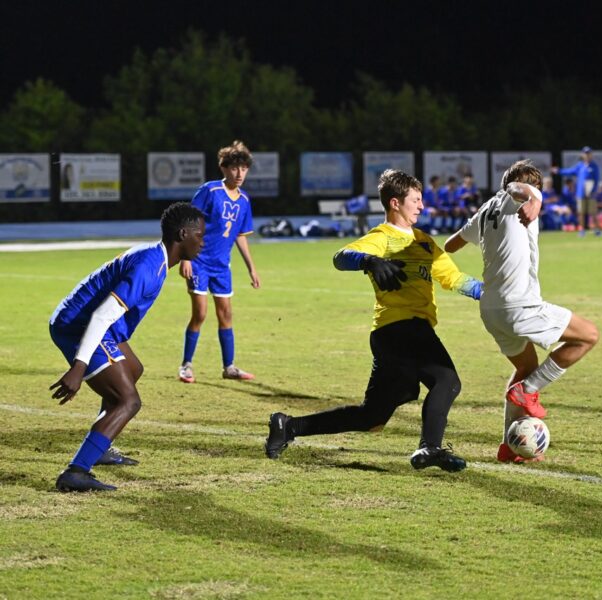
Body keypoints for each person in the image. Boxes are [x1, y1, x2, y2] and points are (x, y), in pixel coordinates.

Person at [265, 169, 482, 472]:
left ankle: (288, 426)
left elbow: (453, 278)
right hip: (403, 327)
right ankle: (430, 447)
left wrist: (487, 293)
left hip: (391, 335)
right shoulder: (383, 238)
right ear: (395, 203)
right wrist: (369, 260)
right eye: (416, 200)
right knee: (447, 381)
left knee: (372, 418)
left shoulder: (425, 243)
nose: (421, 206)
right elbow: (342, 257)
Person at [445, 160, 599, 463]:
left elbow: (450, 245)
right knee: (588, 336)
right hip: (519, 304)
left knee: (525, 365)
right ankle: (528, 391)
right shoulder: (518, 197)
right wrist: (532, 197)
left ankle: (508, 446)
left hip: (490, 309)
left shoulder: (486, 209)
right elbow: (517, 188)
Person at [49, 203, 206, 492]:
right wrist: (79, 367)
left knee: (133, 369)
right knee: (128, 401)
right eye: (199, 234)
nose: (203, 240)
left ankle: (102, 445)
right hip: (77, 325)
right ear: (183, 234)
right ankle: (76, 471)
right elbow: (101, 315)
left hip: (90, 321)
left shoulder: (154, 257)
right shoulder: (149, 267)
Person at [178, 140, 260, 384]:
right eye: (234, 168)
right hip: (199, 261)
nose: (239, 173)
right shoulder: (210, 191)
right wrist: (185, 256)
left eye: (244, 168)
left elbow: (240, 237)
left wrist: (251, 268)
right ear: (224, 168)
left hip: (222, 266)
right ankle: (186, 365)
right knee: (200, 314)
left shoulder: (244, 200)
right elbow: (189, 221)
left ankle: (229, 367)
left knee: (226, 314)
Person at [552, 146, 601, 236]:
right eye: (585, 154)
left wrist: (593, 191)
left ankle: (597, 230)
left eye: (588, 153)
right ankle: (582, 230)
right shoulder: (580, 166)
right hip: (581, 193)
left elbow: (596, 180)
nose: (587, 155)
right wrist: (559, 171)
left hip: (591, 193)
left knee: (593, 212)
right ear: (583, 155)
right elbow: (569, 171)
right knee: (581, 213)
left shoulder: (594, 166)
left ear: (591, 155)